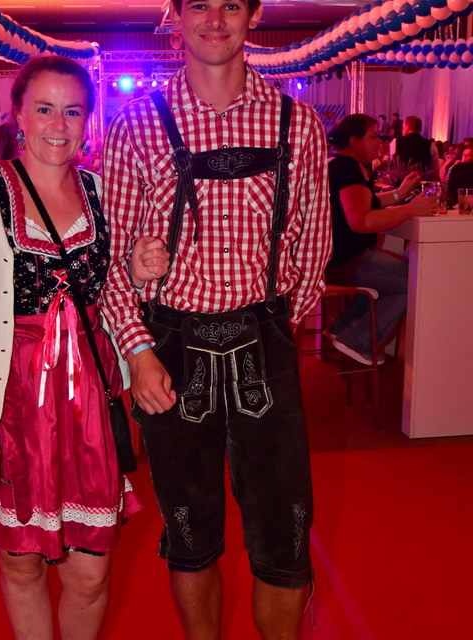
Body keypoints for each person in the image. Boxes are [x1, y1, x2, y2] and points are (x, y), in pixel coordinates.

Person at [101, 1, 332, 638]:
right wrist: (138, 349)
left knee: (284, 537)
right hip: (169, 351)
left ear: (253, 15)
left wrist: (277, 328)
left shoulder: (297, 122)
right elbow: (112, 256)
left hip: (265, 338)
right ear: (175, 16)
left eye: (231, 4)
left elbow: (314, 246)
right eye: (198, 4)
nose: (215, 19)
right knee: (190, 535)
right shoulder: (136, 123)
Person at [0, 55, 161, 640]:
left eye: (72, 111)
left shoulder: (102, 192)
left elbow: (112, 295)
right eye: (44, 109)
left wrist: (136, 273)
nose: (58, 125)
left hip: (88, 405)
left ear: (88, 120)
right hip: (10, 406)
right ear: (18, 115)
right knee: (21, 562)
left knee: (91, 572)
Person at [324, 114, 436, 365]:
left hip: (334, 259)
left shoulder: (338, 163)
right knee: (415, 283)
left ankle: (342, 329)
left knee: (405, 279)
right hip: (345, 261)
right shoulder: (348, 168)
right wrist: (411, 209)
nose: (380, 142)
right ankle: (355, 338)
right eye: (374, 137)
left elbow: (366, 204)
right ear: (354, 141)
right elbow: (361, 221)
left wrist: (399, 195)